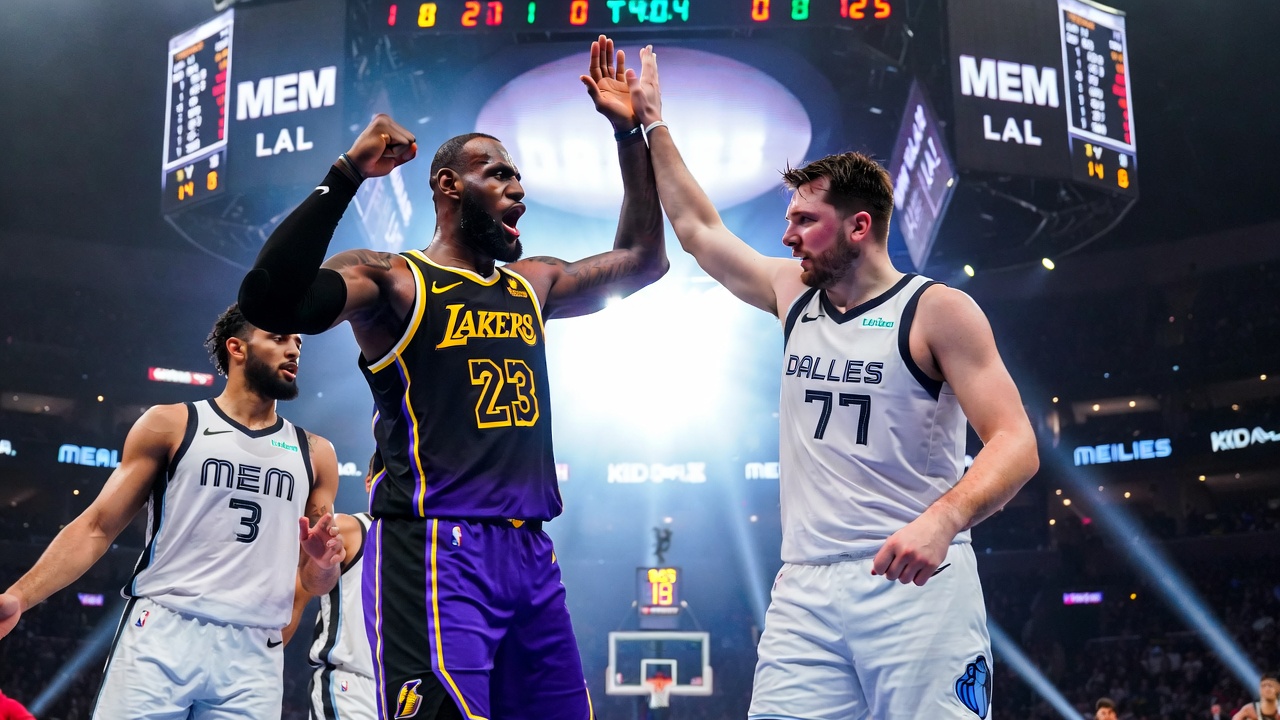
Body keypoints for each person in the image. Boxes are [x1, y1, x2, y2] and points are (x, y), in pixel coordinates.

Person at [236, 36, 666, 720]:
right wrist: (348, 171)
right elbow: (271, 300)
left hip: (529, 551)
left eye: (517, 176)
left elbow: (645, 258)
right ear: (448, 185)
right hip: (437, 547)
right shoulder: (394, 281)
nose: (516, 187)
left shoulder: (536, 282)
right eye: (497, 173)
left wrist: (630, 132)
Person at [626, 46, 1039, 719]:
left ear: (859, 226)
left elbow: (1017, 442)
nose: (787, 237)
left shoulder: (936, 310)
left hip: (917, 580)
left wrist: (945, 519)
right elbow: (699, 229)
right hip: (805, 589)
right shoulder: (793, 293)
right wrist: (652, 125)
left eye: (803, 222)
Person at [0, 304, 345, 719]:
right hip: (164, 631)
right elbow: (96, 527)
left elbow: (316, 579)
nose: (294, 350)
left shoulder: (316, 453)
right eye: (279, 338)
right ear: (236, 348)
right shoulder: (172, 424)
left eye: (298, 343)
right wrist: (20, 597)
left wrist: (324, 564)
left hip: (254, 652)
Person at [284, 454, 383, 720]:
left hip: (412, 688)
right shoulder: (351, 528)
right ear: (369, 482)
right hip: (353, 688)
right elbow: (298, 594)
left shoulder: (434, 541)